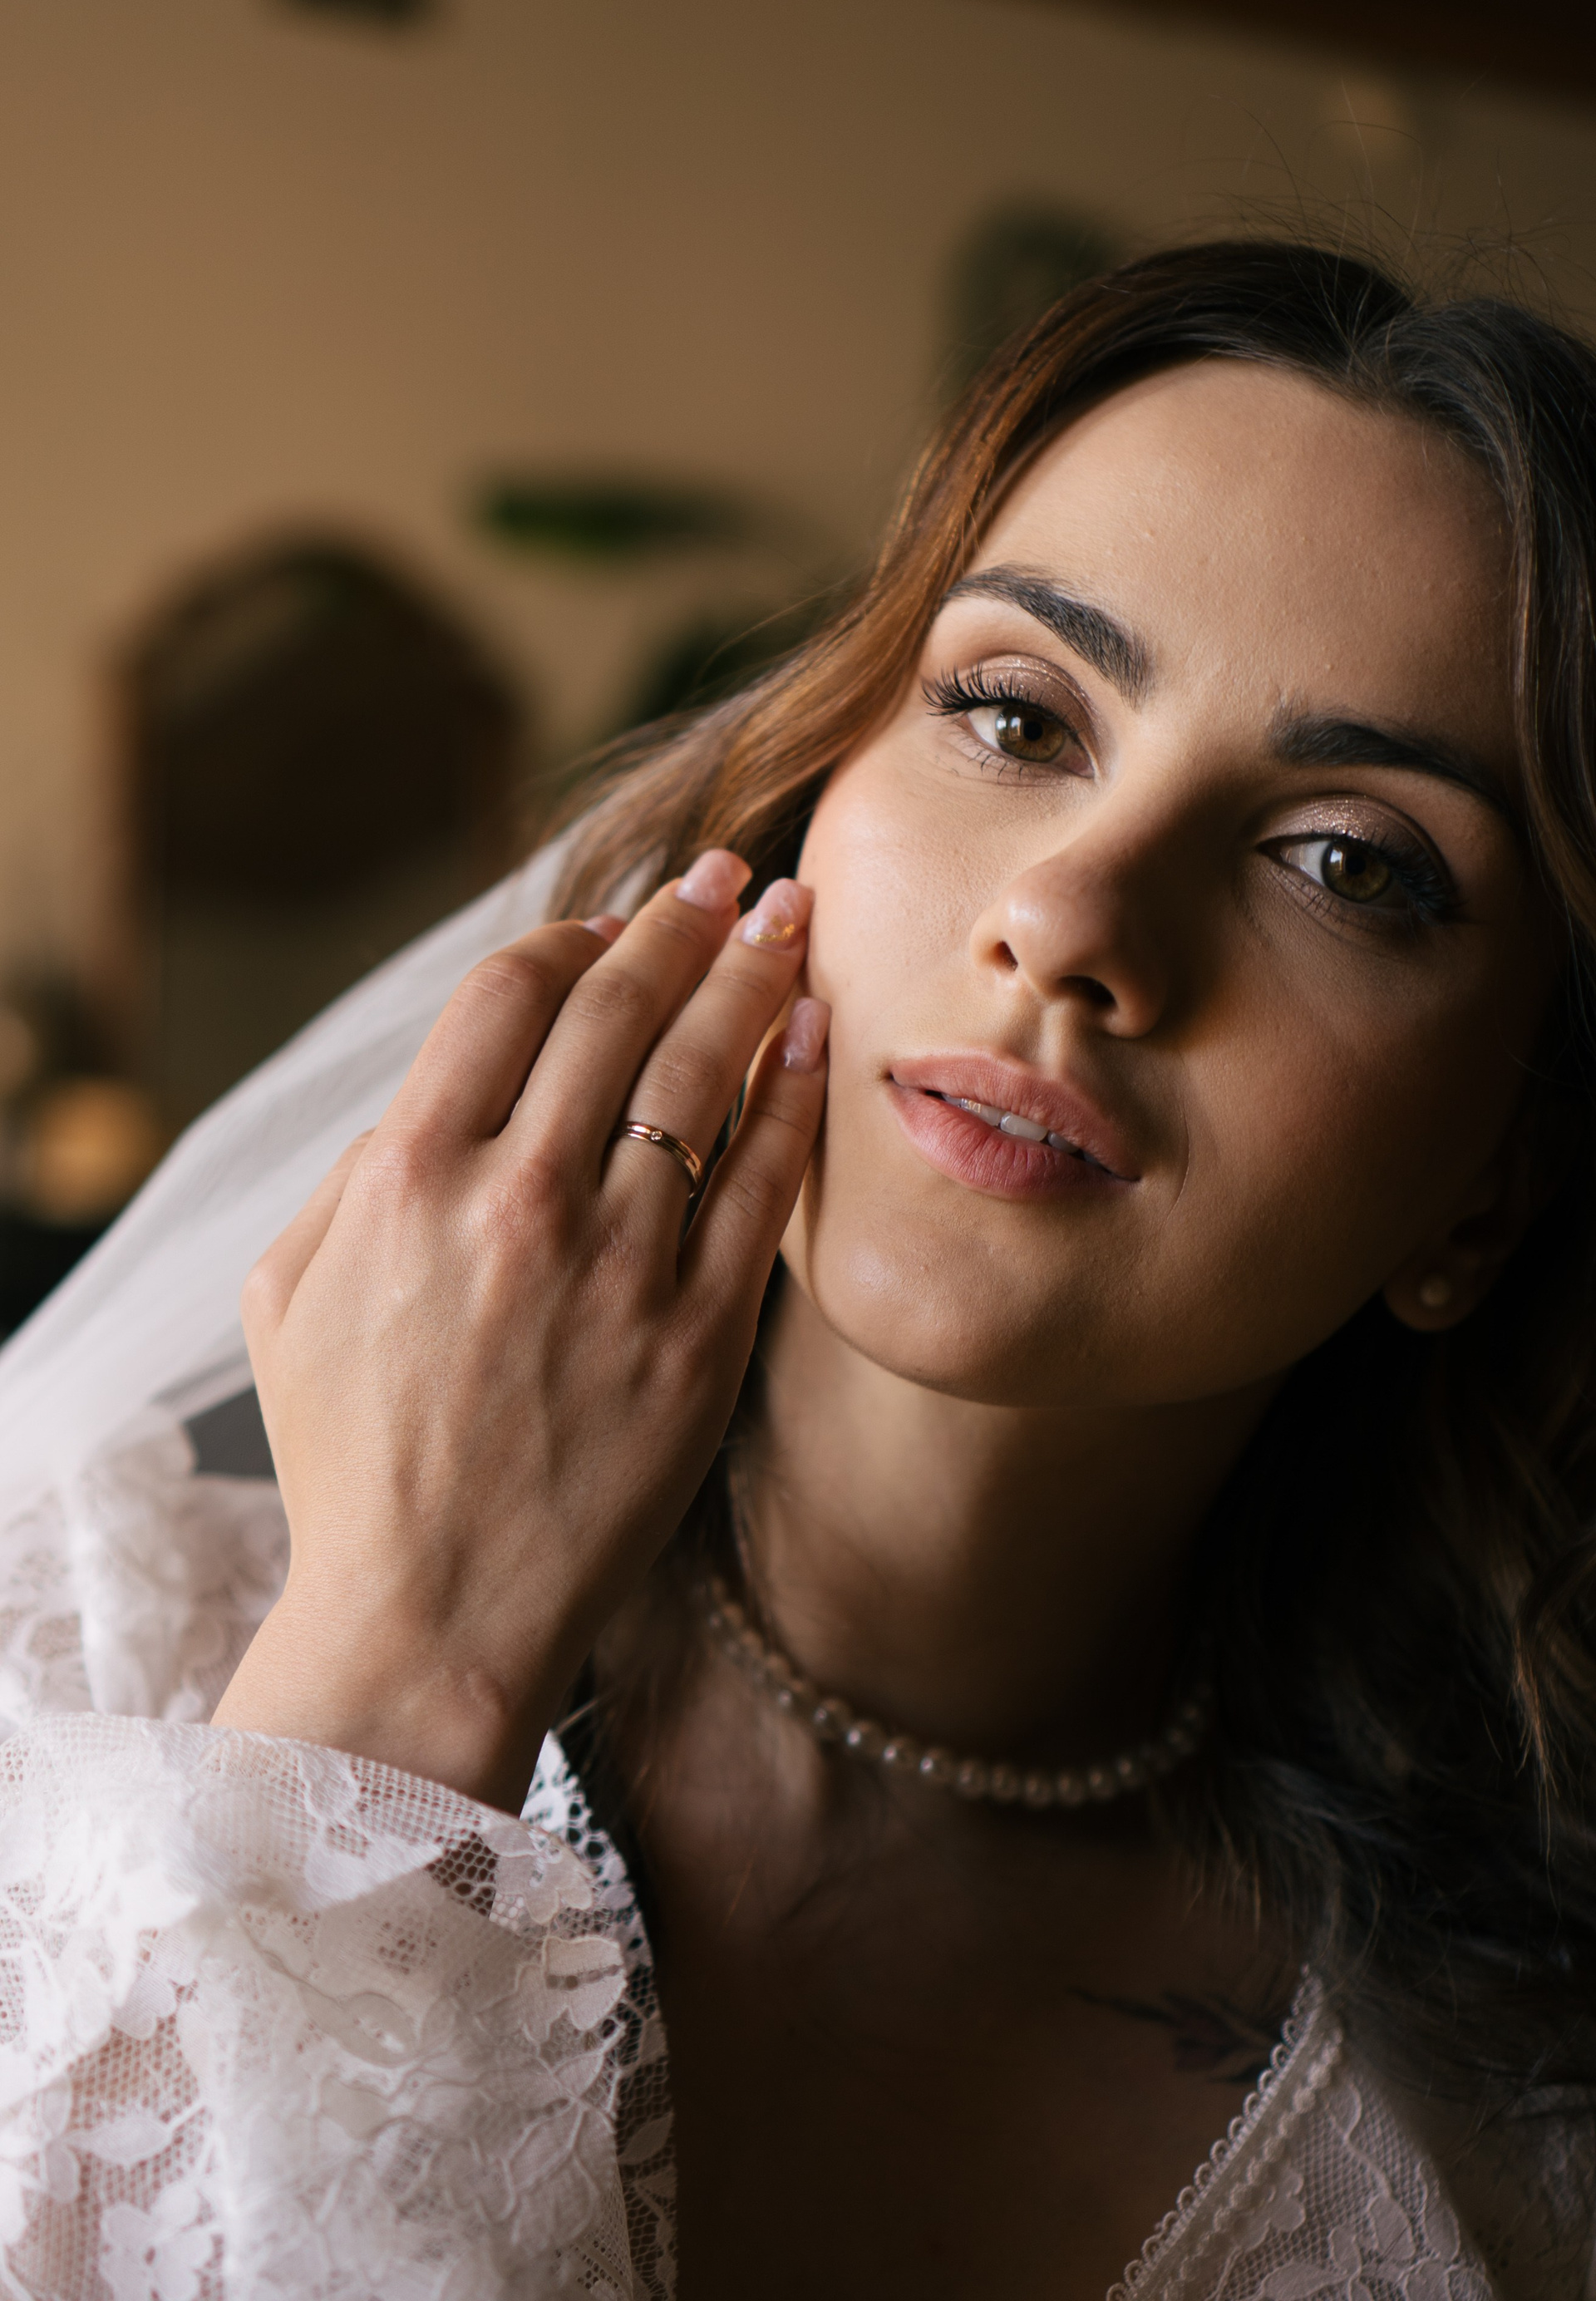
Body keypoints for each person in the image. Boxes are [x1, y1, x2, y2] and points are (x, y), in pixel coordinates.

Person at [0, 240, 1592, 2300]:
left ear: (1485, 1193)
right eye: (1015, 713)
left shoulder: (1513, 2148)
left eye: (1350, 861)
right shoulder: (77, 1660)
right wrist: (392, 1683)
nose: (1076, 918)